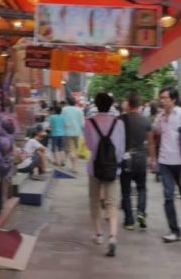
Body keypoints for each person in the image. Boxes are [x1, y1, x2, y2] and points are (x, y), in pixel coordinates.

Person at [150, 86, 181, 243]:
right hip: (165, 161)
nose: (162, 101)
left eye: (165, 98)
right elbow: (155, 133)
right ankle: (174, 230)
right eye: (161, 98)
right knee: (168, 196)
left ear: (174, 99)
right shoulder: (161, 116)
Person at [85, 92, 126, 257]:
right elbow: (121, 148)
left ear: (96, 104)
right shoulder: (119, 123)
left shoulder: (89, 122)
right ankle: (113, 237)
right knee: (112, 203)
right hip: (112, 168)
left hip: (94, 168)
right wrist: (116, 164)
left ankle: (98, 234)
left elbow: (89, 146)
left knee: (94, 201)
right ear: (111, 105)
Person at [120, 92, 151, 231]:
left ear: (128, 104)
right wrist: (152, 158)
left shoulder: (120, 120)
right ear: (139, 105)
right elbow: (150, 143)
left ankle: (129, 221)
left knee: (126, 191)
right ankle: (141, 212)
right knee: (142, 188)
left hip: (126, 158)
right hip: (141, 158)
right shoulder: (146, 121)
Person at [62, 98, 85, 173]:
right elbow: (82, 123)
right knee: (76, 149)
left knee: (71, 149)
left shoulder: (64, 109)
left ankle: (74, 166)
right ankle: (74, 166)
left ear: (68, 102)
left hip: (68, 132)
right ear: (75, 102)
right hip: (78, 132)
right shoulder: (79, 110)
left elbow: (62, 120)